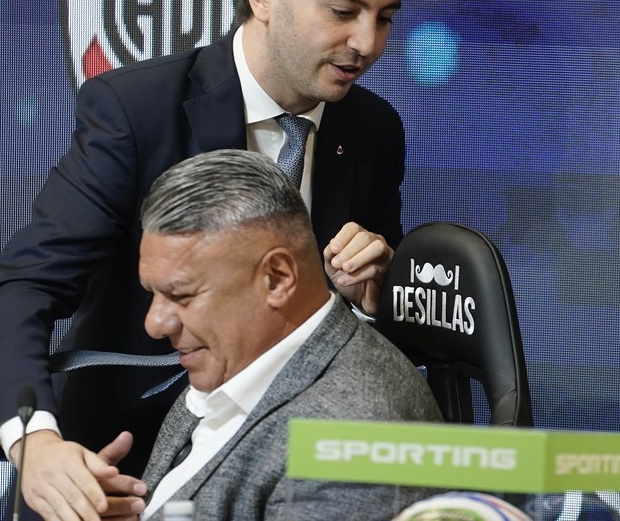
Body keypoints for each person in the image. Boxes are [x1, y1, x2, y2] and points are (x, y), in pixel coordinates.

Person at [0, 0, 409, 517]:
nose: (366, 43)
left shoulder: (374, 131)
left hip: (284, 478)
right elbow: (24, 289)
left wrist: (370, 297)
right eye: (343, 11)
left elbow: (366, 331)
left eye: (385, 17)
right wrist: (35, 442)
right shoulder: (136, 112)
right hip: (118, 470)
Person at [103, 150, 441, 520]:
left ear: (277, 278)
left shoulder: (352, 446)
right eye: (152, 294)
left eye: (181, 295)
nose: (155, 324)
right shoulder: (237, 356)